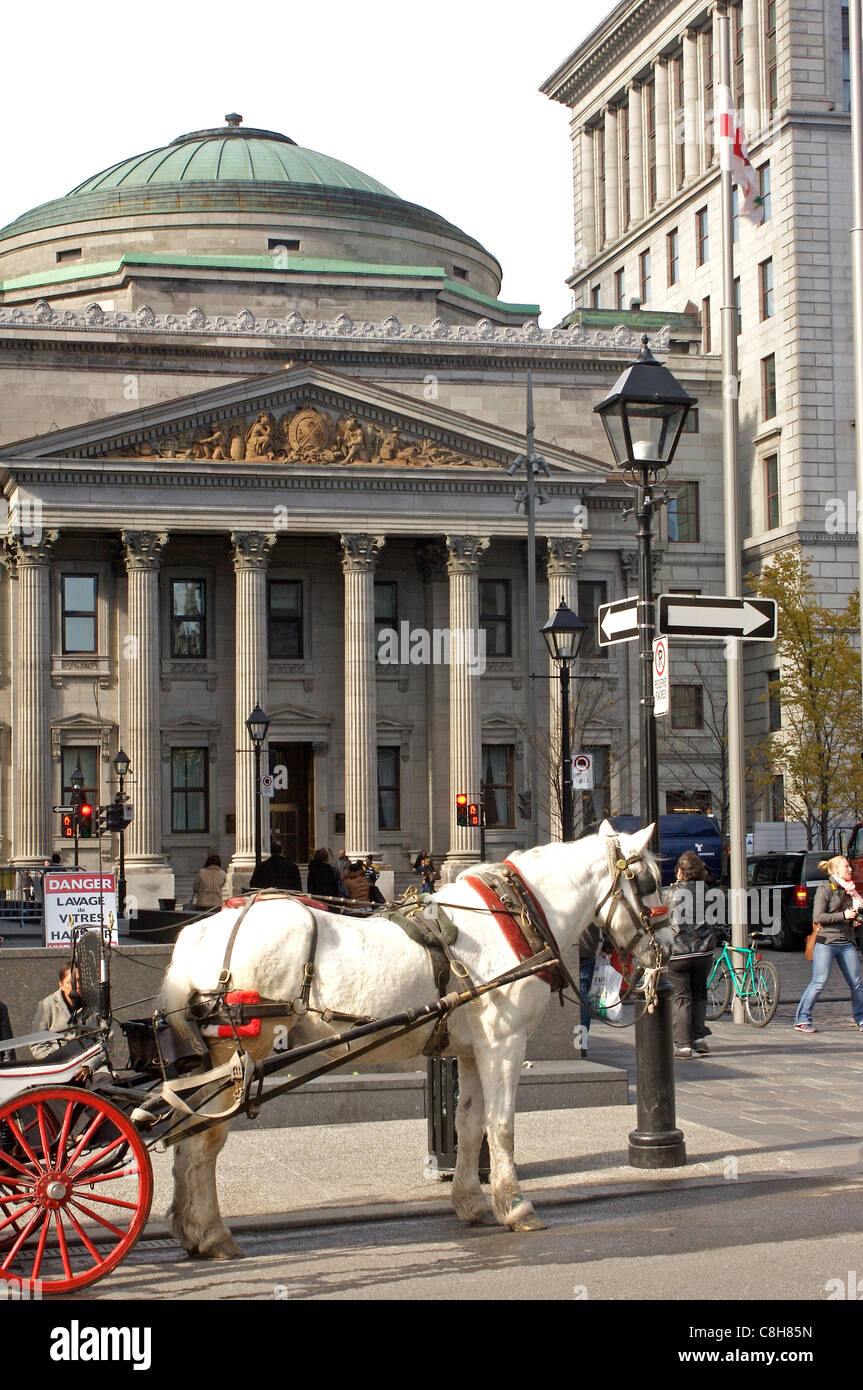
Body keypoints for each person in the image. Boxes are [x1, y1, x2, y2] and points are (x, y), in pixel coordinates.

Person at [794, 855, 863, 1033]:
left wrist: (855, 920)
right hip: (827, 942)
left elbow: (851, 914)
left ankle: (861, 1019)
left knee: (856, 983)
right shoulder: (825, 889)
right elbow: (818, 917)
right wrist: (844, 916)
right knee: (819, 981)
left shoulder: (850, 891)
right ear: (836, 870)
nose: (850, 869)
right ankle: (802, 1019)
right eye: (847, 867)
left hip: (847, 941)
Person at [667, 850, 719, 1058]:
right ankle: (699, 1038)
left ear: (680, 872)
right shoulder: (706, 891)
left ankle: (683, 1044)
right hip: (703, 951)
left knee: (681, 997)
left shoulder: (668, 893)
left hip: (678, 952)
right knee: (699, 994)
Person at [30, 963, 85, 1060]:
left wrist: (88, 1066)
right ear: (61, 985)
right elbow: (37, 1044)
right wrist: (60, 1062)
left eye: (79, 981)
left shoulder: (95, 1004)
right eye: (70, 982)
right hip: (58, 1063)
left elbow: (104, 1040)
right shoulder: (47, 1005)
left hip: (88, 1063)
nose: (77, 986)